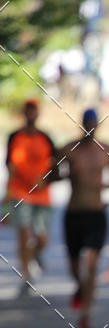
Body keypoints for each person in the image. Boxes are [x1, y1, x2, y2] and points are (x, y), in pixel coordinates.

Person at [56, 108, 109, 328]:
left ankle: (86, 314)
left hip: (96, 212)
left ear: (98, 125)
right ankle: (81, 287)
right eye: (87, 124)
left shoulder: (107, 149)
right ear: (81, 124)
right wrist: (67, 173)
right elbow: (51, 175)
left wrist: (104, 185)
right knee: (74, 266)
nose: (90, 128)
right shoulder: (68, 150)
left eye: (93, 124)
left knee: (91, 263)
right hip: (74, 212)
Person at [5, 99, 56, 299]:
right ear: (23, 113)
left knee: (42, 237)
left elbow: (56, 165)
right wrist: (7, 197)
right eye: (27, 111)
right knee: (24, 235)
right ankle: (26, 276)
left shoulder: (45, 138)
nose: (30, 114)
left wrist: (47, 180)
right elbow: (9, 167)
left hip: (41, 196)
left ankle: (34, 255)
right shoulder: (14, 137)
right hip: (20, 193)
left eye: (33, 111)